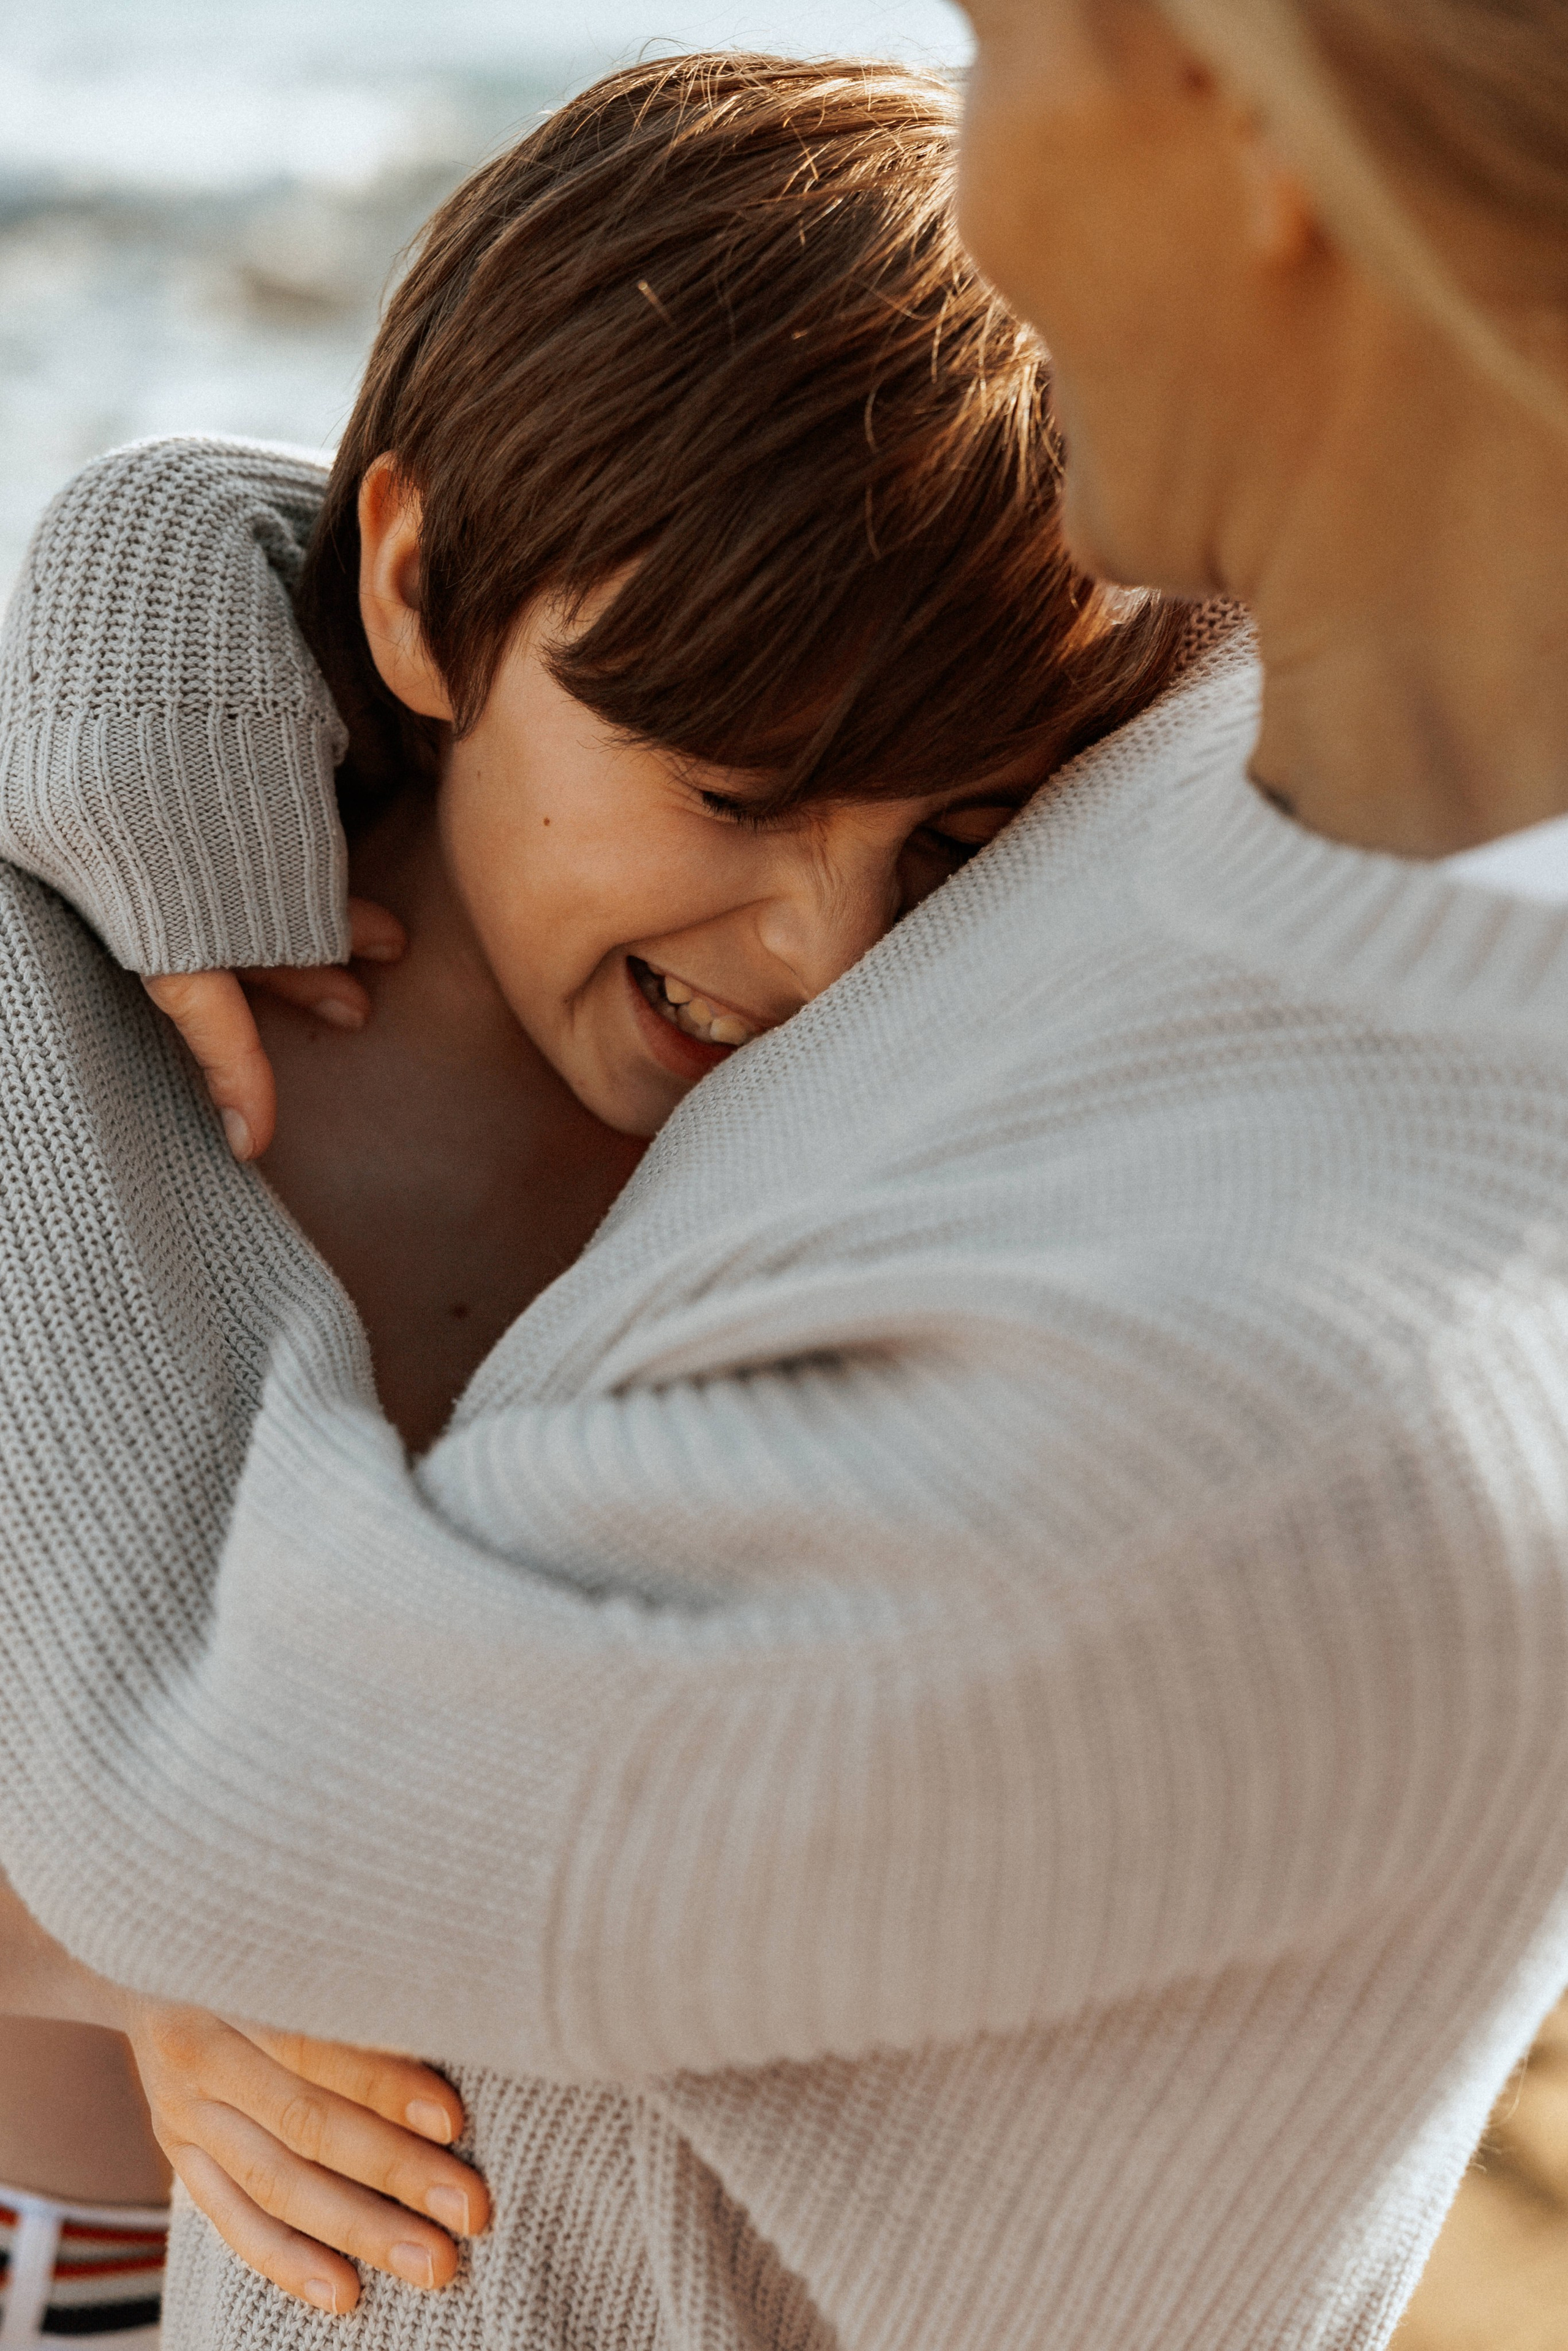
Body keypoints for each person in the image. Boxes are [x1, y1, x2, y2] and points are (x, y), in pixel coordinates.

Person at [12, 6, 1568, 2345]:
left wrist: (184, 1941)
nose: (831, 948)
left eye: (947, 843)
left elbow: (203, 1785)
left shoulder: (1290, 1383)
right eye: (735, 800)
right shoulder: (1269, 650)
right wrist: (154, 588)